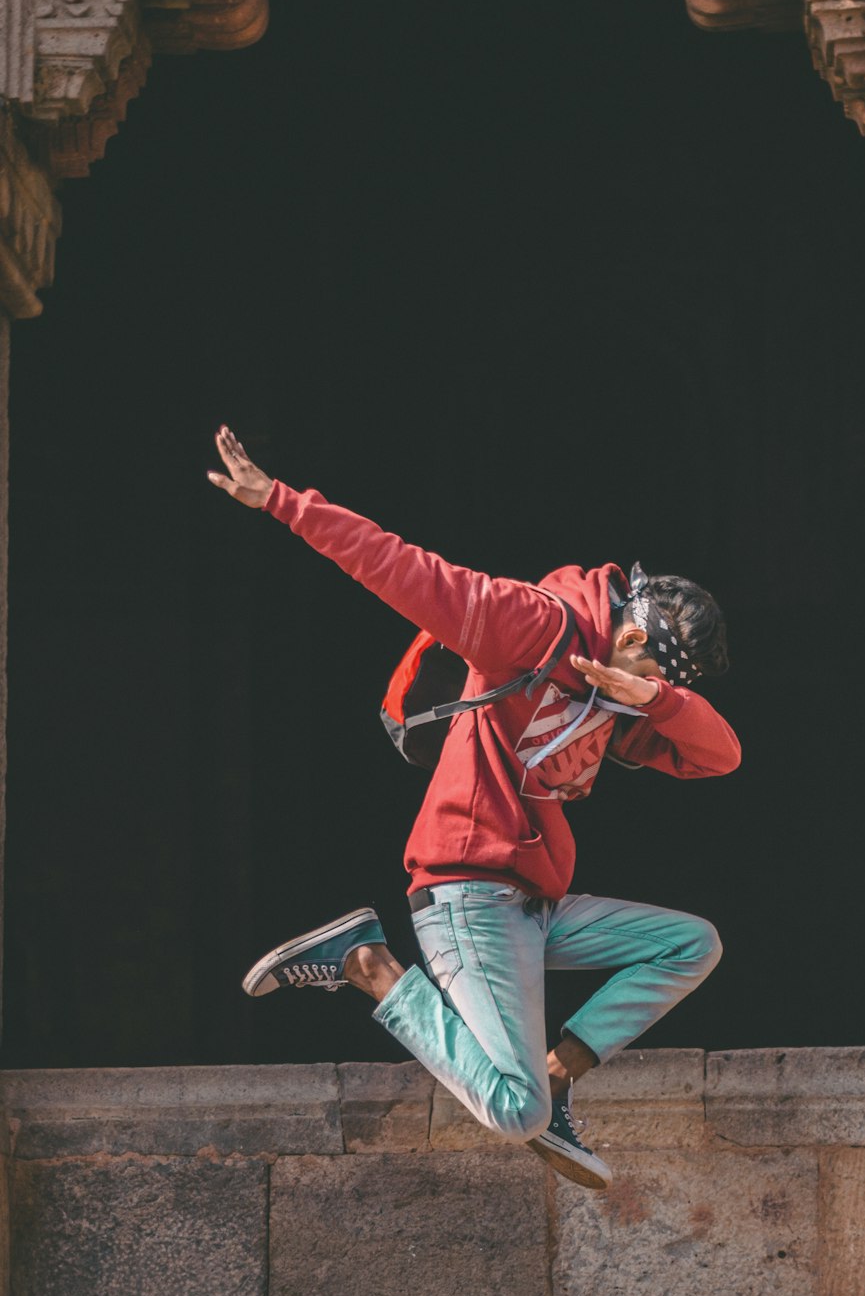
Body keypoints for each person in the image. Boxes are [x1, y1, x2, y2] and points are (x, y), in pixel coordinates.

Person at [208, 425, 741, 1190]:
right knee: (513, 1115)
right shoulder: (535, 624)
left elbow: (719, 756)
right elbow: (408, 570)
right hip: (464, 893)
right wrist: (286, 505)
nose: (650, 702)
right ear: (629, 632)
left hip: (532, 901)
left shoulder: (622, 701)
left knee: (692, 944)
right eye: (656, 673)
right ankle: (369, 964)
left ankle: (559, 1075)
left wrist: (652, 697)